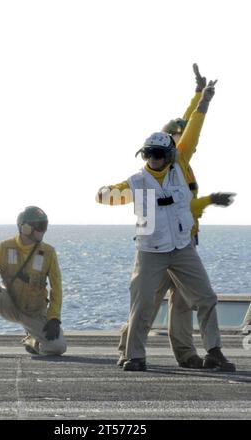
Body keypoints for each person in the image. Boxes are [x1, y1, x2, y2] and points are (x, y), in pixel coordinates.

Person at [96, 80, 236, 372]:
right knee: (144, 304)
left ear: (171, 155)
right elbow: (105, 196)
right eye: (150, 155)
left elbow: (193, 128)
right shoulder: (136, 183)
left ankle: (213, 352)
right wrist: (106, 193)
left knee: (206, 298)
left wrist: (204, 100)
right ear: (144, 156)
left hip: (184, 246)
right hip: (151, 252)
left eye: (160, 155)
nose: (155, 160)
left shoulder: (180, 166)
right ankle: (134, 355)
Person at [0, 206, 67, 356]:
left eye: (45, 226)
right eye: (40, 226)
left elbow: (57, 288)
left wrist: (54, 318)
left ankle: (33, 341)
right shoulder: (5, 247)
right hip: (10, 304)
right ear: (25, 228)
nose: (43, 231)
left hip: (34, 312)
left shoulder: (48, 253)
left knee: (58, 347)